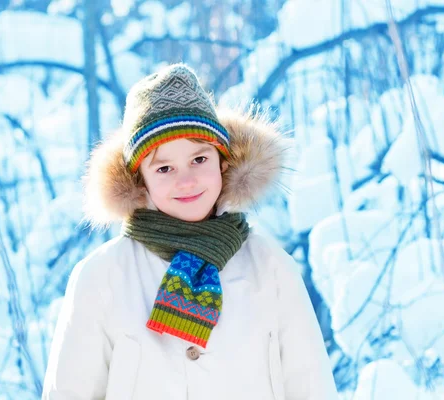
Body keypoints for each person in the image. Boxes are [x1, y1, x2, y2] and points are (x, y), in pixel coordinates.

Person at [42, 64, 339, 400]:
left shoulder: (272, 269)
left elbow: (311, 385)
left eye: (199, 159)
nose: (186, 181)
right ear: (141, 181)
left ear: (222, 162)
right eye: (165, 168)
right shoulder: (101, 279)